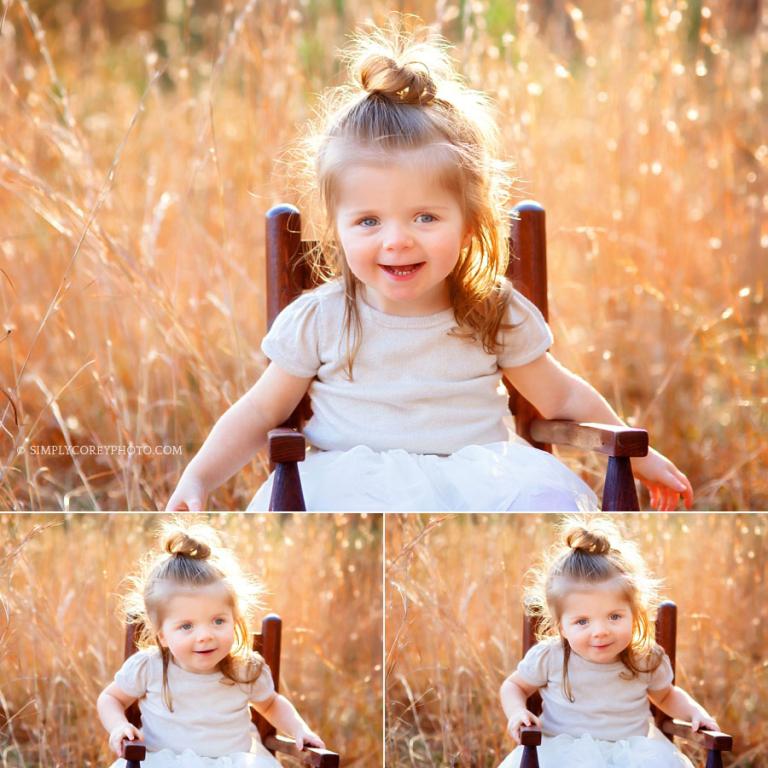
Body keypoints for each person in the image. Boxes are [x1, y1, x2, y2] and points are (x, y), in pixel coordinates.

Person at [167, 17, 694, 512]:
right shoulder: (324, 318)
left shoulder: (490, 311)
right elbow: (260, 413)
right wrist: (196, 477)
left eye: (424, 217)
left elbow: (562, 395)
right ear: (338, 228)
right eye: (368, 221)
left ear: (468, 222)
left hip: (483, 476)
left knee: (543, 501)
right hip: (353, 478)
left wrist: (640, 454)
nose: (397, 241)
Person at [97, 520, 325, 768]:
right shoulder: (150, 667)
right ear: (162, 635)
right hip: (163, 760)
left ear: (234, 619)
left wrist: (299, 730)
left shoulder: (245, 669)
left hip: (234, 762)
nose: (205, 636)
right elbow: (111, 699)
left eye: (218, 621)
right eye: (186, 626)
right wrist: (119, 726)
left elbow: (271, 703)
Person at [498, 518, 719, 768]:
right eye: (582, 621)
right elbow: (514, 685)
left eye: (614, 617)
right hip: (563, 751)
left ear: (634, 615)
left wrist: (695, 713)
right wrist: (517, 712)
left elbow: (666, 696)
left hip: (634, 753)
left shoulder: (644, 658)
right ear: (562, 627)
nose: (600, 631)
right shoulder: (551, 657)